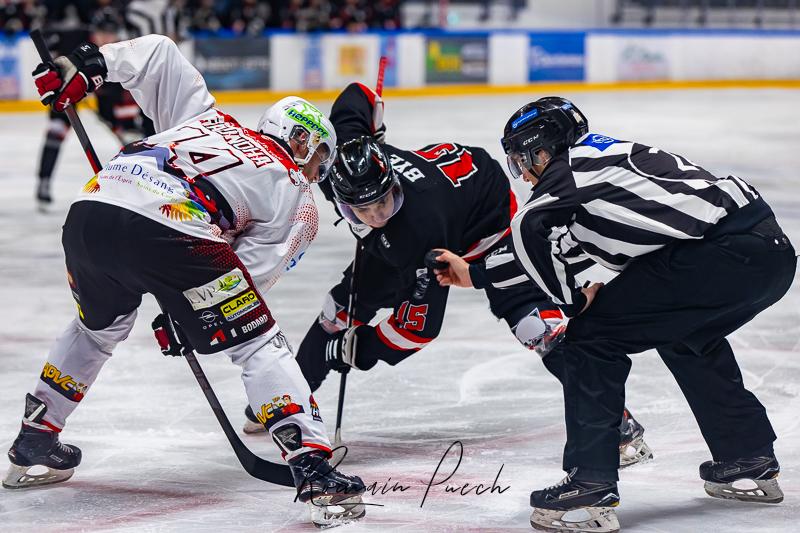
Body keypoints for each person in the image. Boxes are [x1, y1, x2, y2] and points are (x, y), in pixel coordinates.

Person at [6, 34, 365, 528]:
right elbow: (251, 276)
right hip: (173, 231)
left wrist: (90, 65)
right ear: (303, 140)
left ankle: (37, 433)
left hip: (92, 210)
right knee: (259, 341)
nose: (318, 169)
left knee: (96, 328)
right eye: (319, 154)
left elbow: (159, 53)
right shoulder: (294, 190)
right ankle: (311, 463)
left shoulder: (204, 118)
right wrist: (190, 315)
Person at [432, 96, 796, 532]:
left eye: (523, 160)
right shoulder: (602, 168)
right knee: (688, 337)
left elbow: (528, 228)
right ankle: (746, 457)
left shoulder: (572, 169)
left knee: (588, 340)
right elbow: (550, 247)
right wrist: (474, 273)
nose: (523, 173)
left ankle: (590, 482)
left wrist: (569, 301)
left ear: (543, 150)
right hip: (766, 253)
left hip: (720, 255)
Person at [273, 82, 652, 469]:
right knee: (337, 310)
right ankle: (290, 404)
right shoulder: (341, 162)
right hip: (413, 225)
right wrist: (374, 113)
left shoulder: (417, 230)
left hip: (485, 224)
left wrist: (364, 349)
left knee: (535, 325)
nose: (375, 216)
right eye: (362, 210)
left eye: (384, 201)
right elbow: (356, 95)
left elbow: (419, 328)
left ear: (393, 182)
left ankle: (616, 424)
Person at [35, 7, 155, 210]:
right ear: (93, 31)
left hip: (107, 95)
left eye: (111, 32)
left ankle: (141, 186)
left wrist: (126, 128)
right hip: (72, 90)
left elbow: (124, 99)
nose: (107, 37)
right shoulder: (76, 41)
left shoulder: (121, 53)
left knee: (130, 136)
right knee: (56, 129)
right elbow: (52, 41)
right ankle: (44, 182)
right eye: (103, 32)